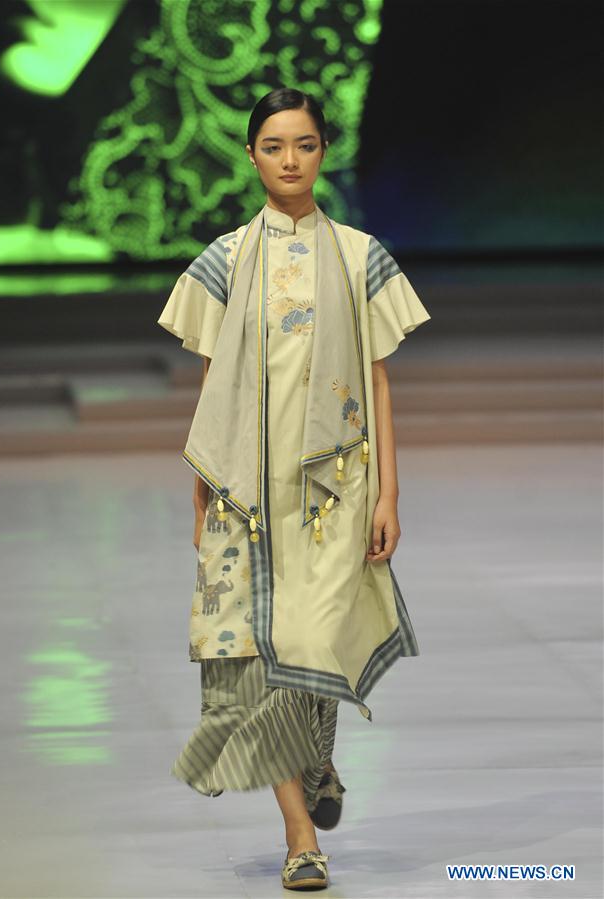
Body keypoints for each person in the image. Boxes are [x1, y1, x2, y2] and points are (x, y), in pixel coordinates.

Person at [157, 86, 431, 891]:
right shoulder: (223, 260)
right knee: (255, 658)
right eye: (273, 146)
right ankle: (301, 837)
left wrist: (388, 492)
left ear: (323, 152)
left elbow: (377, 382)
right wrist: (203, 481)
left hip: (333, 489)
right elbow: (214, 380)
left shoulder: (360, 256)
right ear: (251, 155)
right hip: (246, 487)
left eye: (304, 144)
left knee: (315, 640)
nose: (289, 160)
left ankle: (317, 757)